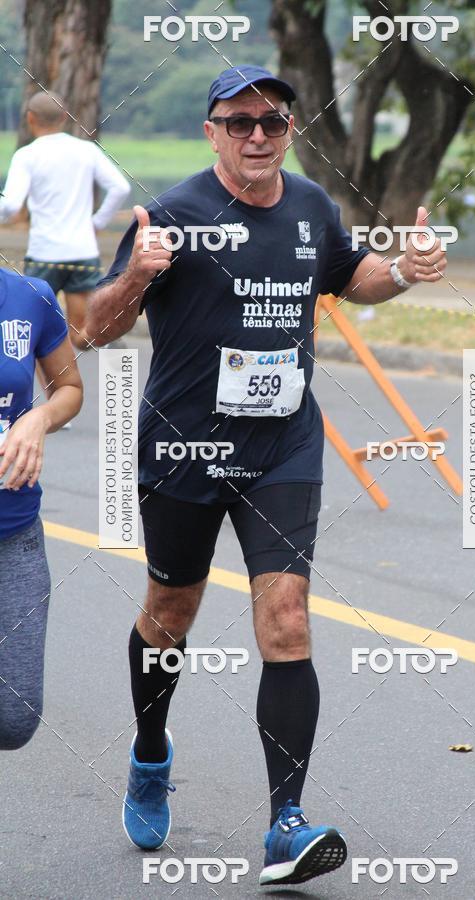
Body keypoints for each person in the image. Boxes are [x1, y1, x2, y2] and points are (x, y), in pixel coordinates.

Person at [87, 64, 447, 886]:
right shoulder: (171, 215)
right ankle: (149, 755)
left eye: (273, 122)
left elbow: (354, 279)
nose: (257, 135)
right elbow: (97, 332)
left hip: (283, 448)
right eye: (239, 121)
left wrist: (406, 269)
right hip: (184, 448)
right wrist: (140, 271)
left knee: (286, 618)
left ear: (292, 130)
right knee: (170, 611)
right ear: (211, 130)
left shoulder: (313, 207)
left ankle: (285, 824)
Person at [0, 267, 82, 749]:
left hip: (15, 530)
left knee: (15, 718)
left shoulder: (31, 297)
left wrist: (38, 417)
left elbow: (69, 389)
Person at [0, 91, 130, 350]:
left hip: (44, 255)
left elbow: (12, 204)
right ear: (64, 117)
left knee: (36, 335)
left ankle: (56, 387)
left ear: (30, 118)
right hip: (82, 253)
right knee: (82, 334)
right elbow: (121, 188)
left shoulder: (27, 155)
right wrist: (97, 223)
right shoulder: (86, 150)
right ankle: (112, 358)